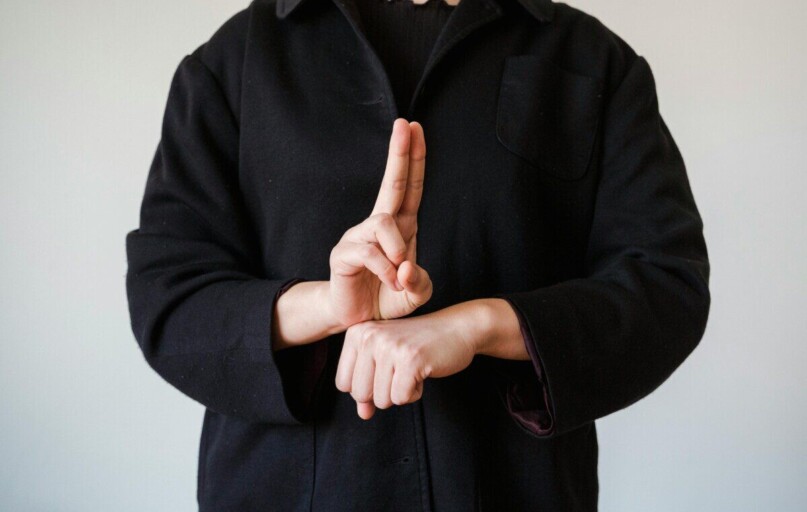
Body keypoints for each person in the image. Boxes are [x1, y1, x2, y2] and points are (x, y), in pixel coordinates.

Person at [124, 0, 711, 509]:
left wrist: (479, 325)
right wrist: (331, 305)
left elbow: (666, 285)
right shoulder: (233, 64)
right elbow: (168, 298)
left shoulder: (593, 60)